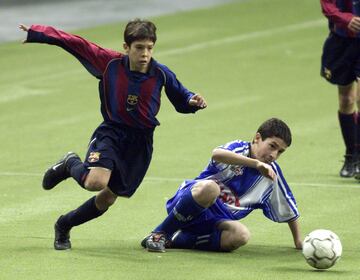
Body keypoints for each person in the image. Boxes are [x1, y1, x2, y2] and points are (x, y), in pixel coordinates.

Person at [19, 19, 207, 250]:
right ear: (126, 47)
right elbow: (75, 43)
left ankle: (64, 224)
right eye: (139, 48)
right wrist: (39, 33)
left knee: (108, 198)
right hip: (112, 133)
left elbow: (182, 96)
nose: (145, 53)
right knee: (95, 182)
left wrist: (192, 101)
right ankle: (70, 164)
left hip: (140, 143)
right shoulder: (109, 63)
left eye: (149, 48)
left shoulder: (161, 73)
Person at [141, 118, 302, 253]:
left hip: (217, 220)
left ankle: (176, 239)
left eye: (280, 152)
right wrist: (255, 164)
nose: (274, 155)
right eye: (272, 146)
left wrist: (298, 241)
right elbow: (217, 153)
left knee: (241, 235)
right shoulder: (239, 148)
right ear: (257, 138)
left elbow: (288, 208)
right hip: (194, 201)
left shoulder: (272, 175)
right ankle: (160, 232)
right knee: (211, 189)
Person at [320, 0, 360, 177]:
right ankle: (351, 156)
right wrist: (346, 19)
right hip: (341, 42)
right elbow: (327, 6)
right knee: (346, 100)